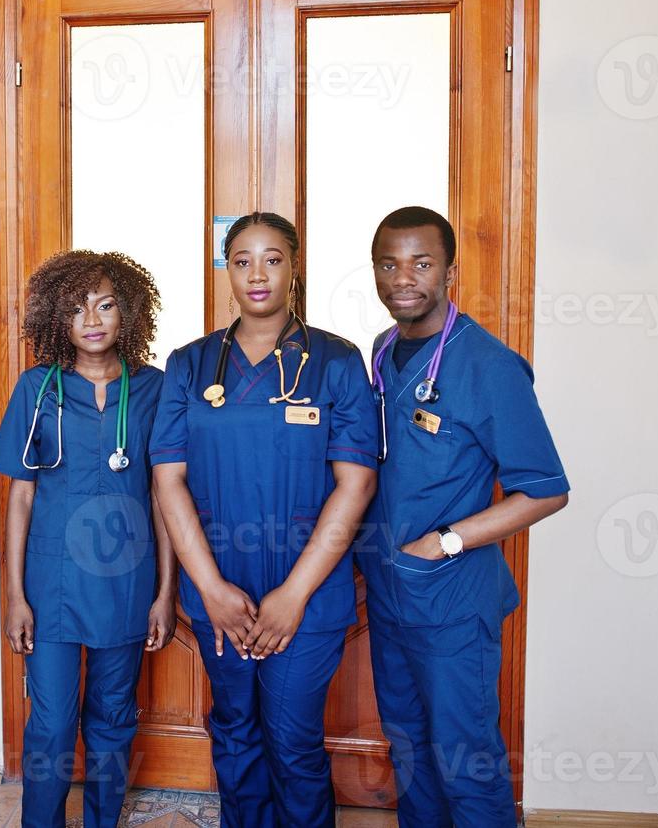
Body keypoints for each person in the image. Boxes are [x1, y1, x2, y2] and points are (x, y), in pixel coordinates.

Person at [151, 211, 378, 827]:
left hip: (308, 591)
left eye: (272, 259)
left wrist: (293, 595)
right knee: (234, 729)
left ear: (293, 267)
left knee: (292, 739)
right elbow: (168, 481)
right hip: (219, 584)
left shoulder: (336, 361)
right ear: (226, 269)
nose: (257, 274)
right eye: (242, 259)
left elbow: (355, 484)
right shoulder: (190, 365)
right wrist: (212, 590)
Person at [359, 206, 568, 828]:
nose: (405, 278)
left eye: (422, 263)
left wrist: (447, 541)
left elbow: (547, 489)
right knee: (410, 752)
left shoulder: (489, 366)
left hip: (450, 599)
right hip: (391, 591)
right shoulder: (385, 350)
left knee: (465, 760)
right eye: (389, 264)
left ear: (451, 269)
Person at [0, 250, 178, 828]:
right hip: (51, 584)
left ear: (130, 312)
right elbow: (19, 495)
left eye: (106, 304)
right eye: (76, 308)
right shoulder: (37, 389)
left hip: (127, 580)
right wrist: (15, 594)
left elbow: (162, 496)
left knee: (114, 715)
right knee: (49, 723)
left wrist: (165, 593)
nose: (92, 319)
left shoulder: (155, 389)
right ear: (56, 319)